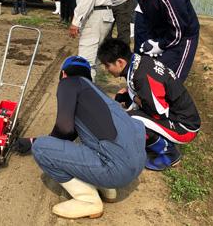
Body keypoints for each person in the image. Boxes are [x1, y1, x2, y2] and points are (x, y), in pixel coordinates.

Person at [15, 56, 146, 219]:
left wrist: (34, 142)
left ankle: (88, 201)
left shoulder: (68, 83)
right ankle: (106, 189)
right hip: (137, 163)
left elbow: (64, 128)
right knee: (89, 139)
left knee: (41, 148)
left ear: (63, 74)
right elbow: (78, 130)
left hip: (117, 170)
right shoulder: (96, 90)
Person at [97, 38, 201, 171]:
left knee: (130, 119)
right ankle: (153, 141)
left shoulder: (142, 76)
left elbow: (159, 112)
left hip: (185, 128)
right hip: (177, 116)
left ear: (120, 62)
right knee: (124, 99)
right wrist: (132, 96)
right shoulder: (139, 62)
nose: (106, 70)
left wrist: (135, 100)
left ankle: (169, 153)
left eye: (107, 65)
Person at [108, 0, 199, 82]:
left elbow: (178, 31)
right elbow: (152, 20)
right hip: (166, 35)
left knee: (172, 81)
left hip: (183, 38)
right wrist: (152, 41)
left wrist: (160, 45)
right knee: (154, 75)